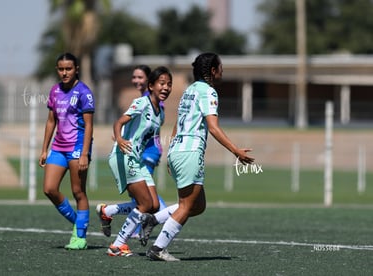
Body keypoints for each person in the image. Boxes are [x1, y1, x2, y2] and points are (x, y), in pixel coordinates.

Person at [145, 53, 255, 261]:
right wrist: (236, 151)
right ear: (213, 71)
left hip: (178, 150)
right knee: (187, 206)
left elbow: (179, 122)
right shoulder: (208, 92)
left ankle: (153, 220)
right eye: (221, 67)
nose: (223, 70)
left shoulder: (189, 91)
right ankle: (158, 249)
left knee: (198, 205)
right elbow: (213, 128)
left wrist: (171, 152)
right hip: (190, 152)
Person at [105, 66, 173, 257]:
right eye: (162, 83)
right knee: (144, 204)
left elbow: (150, 138)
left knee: (153, 205)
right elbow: (119, 122)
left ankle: (108, 211)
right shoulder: (141, 103)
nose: (166, 87)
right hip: (125, 156)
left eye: (169, 84)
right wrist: (119, 138)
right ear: (151, 86)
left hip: (139, 160)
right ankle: (117, 245)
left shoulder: (160, 112)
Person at [39, 52, 95, 250]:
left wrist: (85, 153)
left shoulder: (84, 92)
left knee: (78, 191)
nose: (64, 73)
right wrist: (44, 149)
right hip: (58, 147)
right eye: (61, 69)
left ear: (76, 69)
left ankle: (80, 237)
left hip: (77, 147)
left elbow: (89, 125)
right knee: (49, 189)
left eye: (68, 69)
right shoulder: (54, 91)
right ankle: (76, 222)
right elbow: (51, 121)